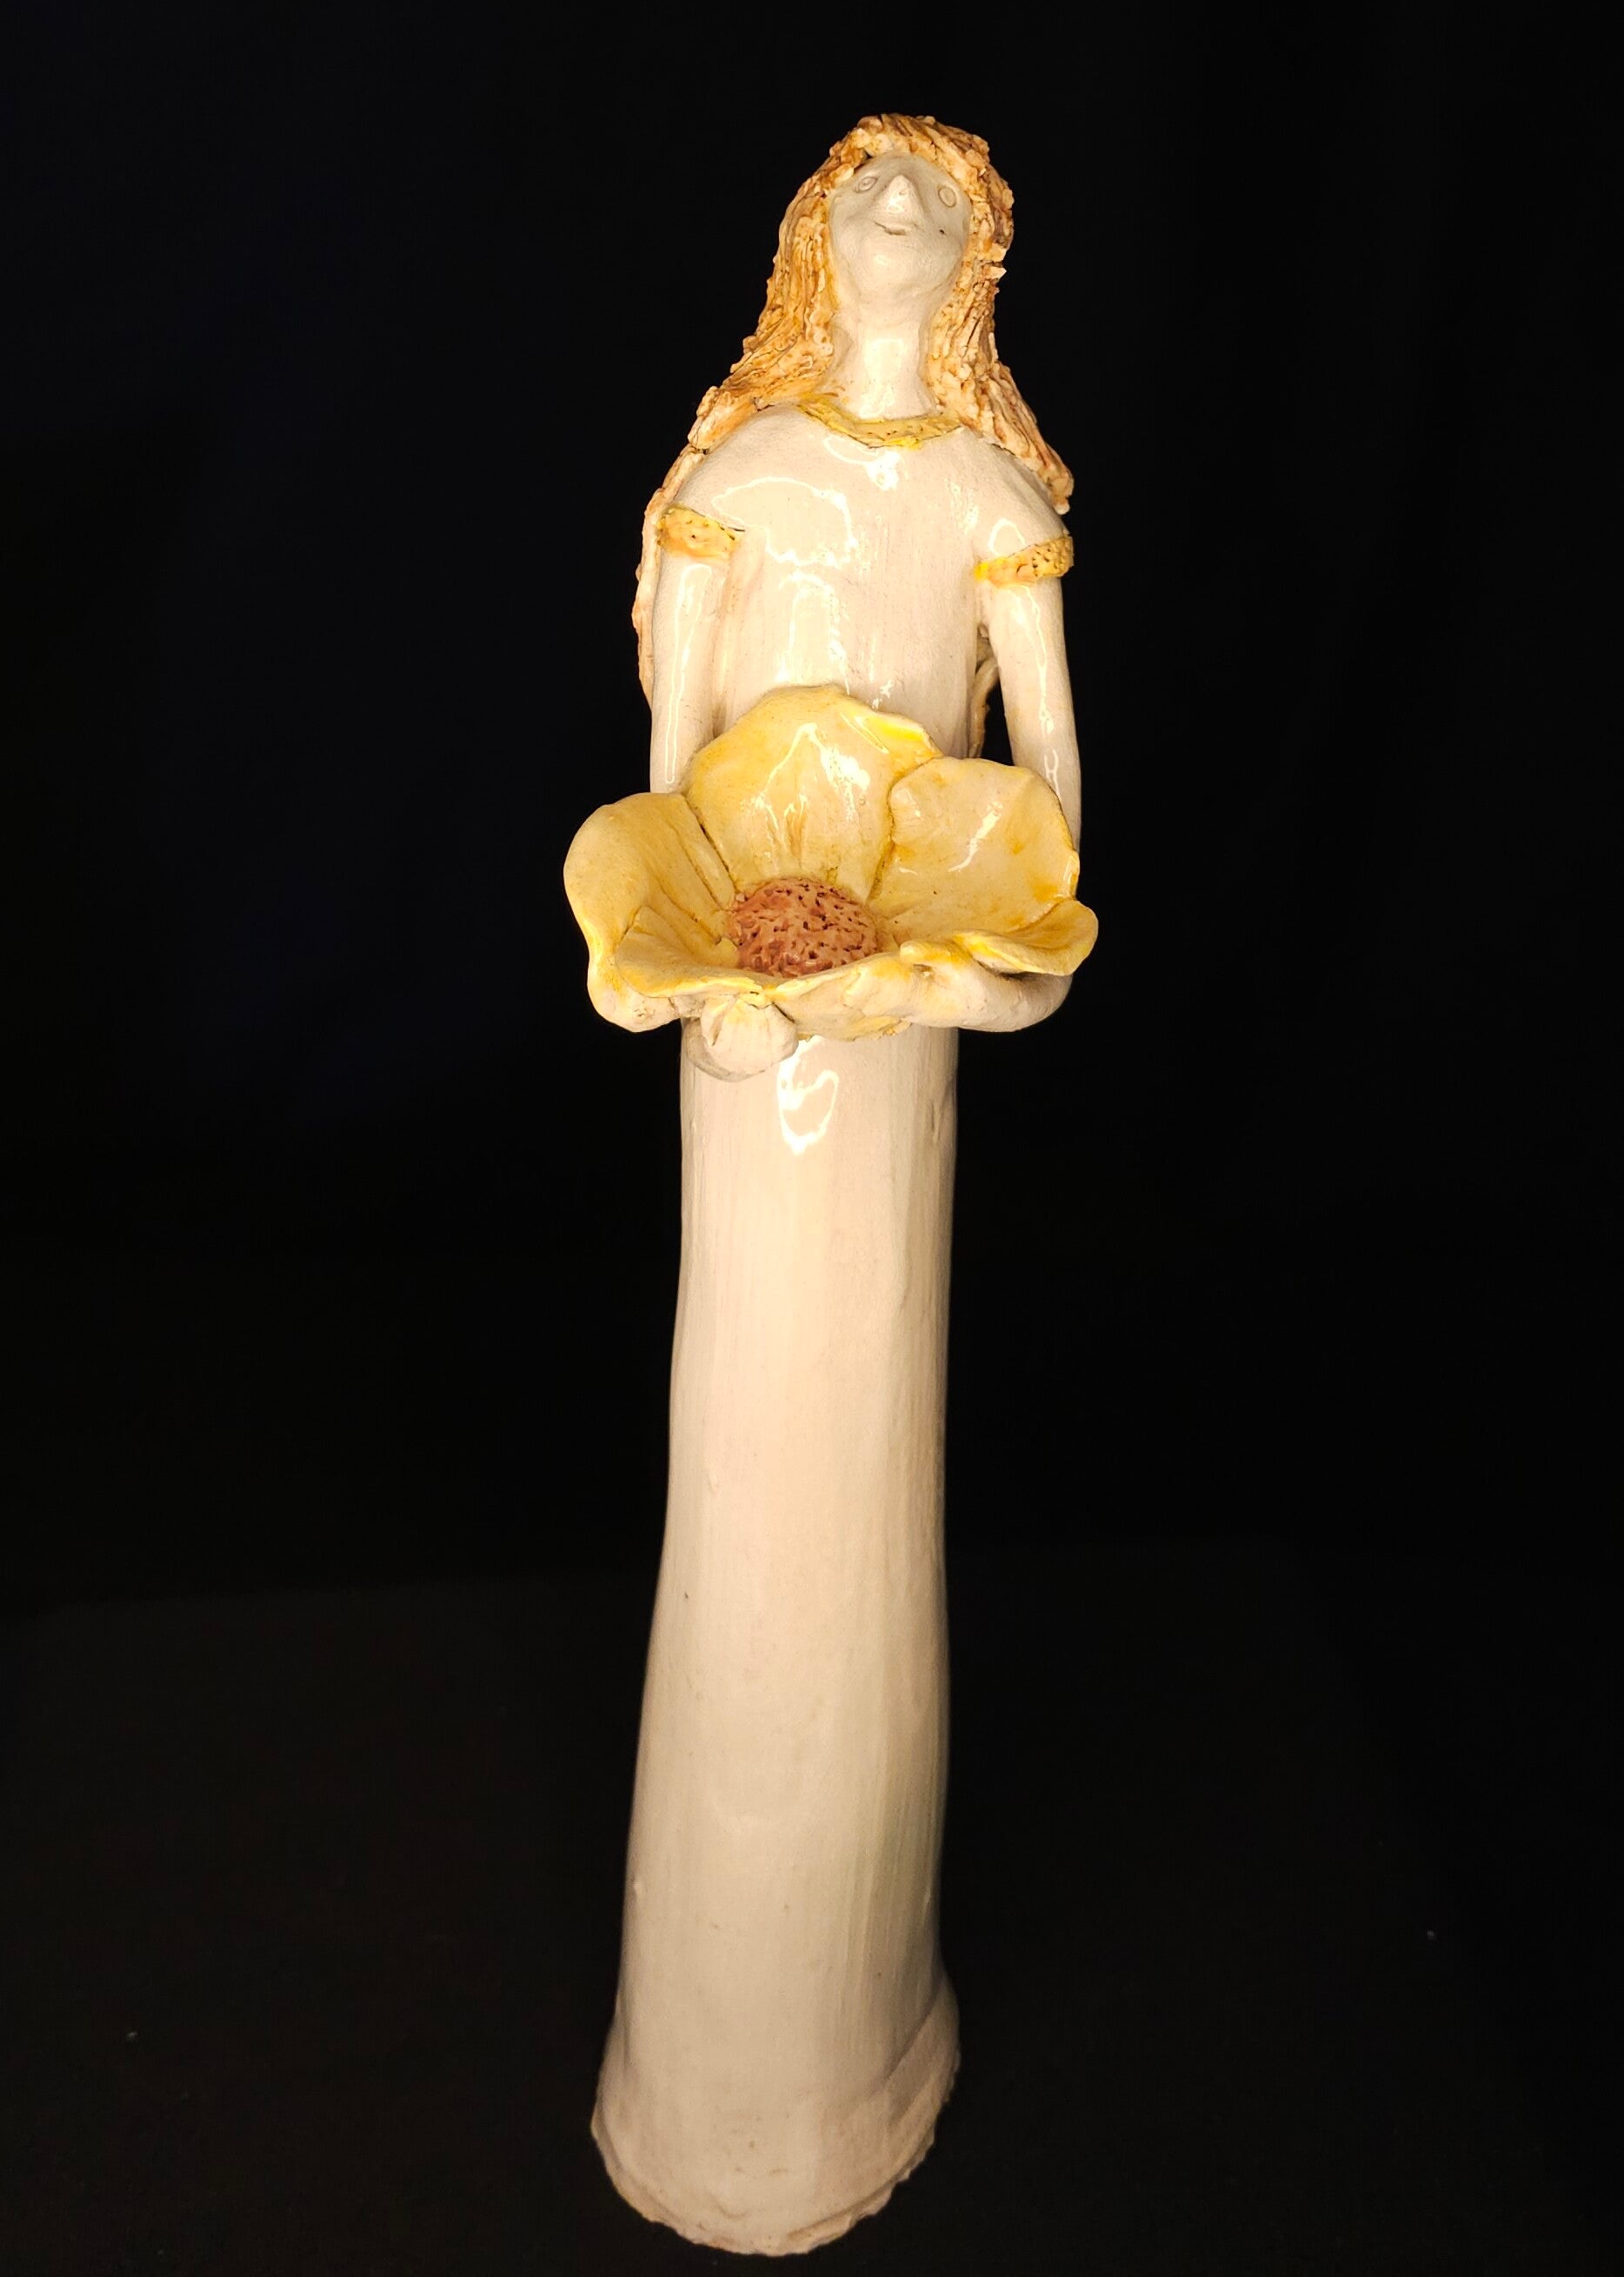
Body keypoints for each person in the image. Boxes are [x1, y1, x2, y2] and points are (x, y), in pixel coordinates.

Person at [592, 113, 1082, 2254]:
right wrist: (687, 943)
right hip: (741, 992)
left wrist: (1003, 957)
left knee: (866, 1456)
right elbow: (662, 770)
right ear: (813, 237)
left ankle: (853, 2043)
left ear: (973, 264)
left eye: (939, 201)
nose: (899, 213)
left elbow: (1045, 782)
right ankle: (705, 2073)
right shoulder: (738, 471)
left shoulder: (987, 496)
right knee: (747, 1450)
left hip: (904, 1003)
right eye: (865, 187)